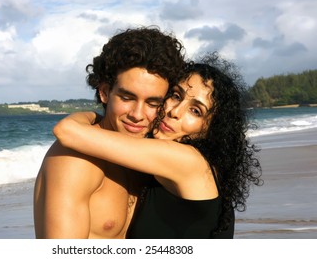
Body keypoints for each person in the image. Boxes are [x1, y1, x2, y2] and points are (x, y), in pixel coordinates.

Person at [53, 52, 263, 238]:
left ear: (211, 129)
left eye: (196, 111)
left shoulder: (187, 161)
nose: (175, 111)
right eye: (176, 96)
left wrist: (93, 115)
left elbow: (67, 131)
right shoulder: (189, 168)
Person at [33, 27, 186, 238]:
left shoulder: (143, 158)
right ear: (105, 92)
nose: (137, 115)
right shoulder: (76, 161)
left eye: (152, 102)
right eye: (127, 98)